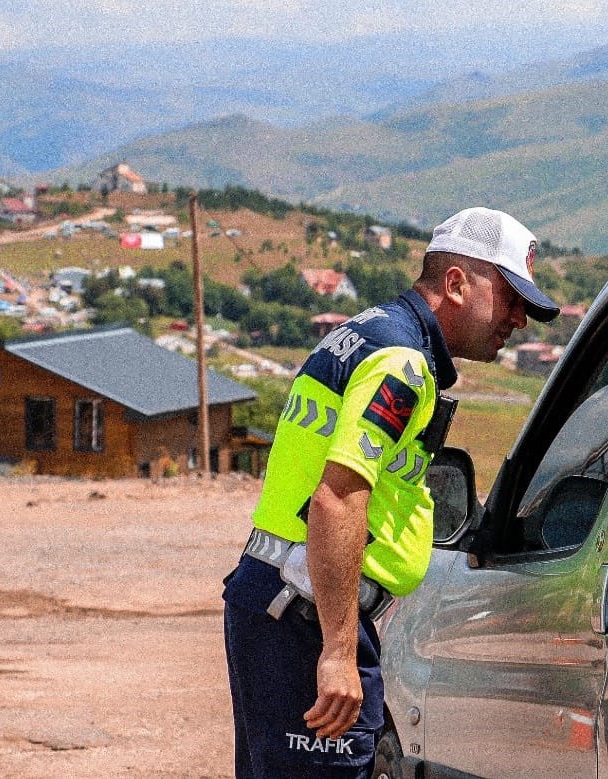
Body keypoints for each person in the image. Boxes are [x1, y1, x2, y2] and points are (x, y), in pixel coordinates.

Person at [222, 206, 559, 777]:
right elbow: (338, 497)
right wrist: (336, 652)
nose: (519, 320)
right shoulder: (402, 364)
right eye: (510, 298)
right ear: (456, 283)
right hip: (307, 614)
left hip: (285, 603)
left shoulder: (365, 335)